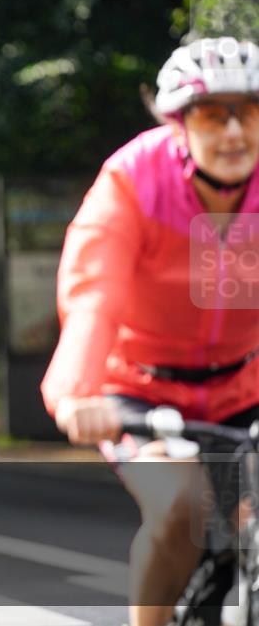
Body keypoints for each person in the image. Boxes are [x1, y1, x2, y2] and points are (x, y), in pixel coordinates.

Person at [42, 37, 259, 626]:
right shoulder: (134, 178)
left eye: (250, 112)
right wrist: (77, 394)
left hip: (245, 385)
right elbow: (94, 293)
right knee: (181, 505)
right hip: (139, 392)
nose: (236, 133)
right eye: (215, 115)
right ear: (179, 123)